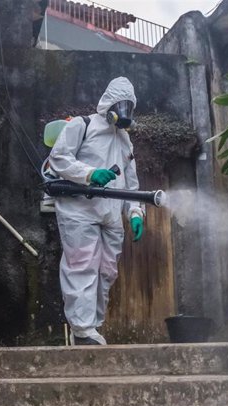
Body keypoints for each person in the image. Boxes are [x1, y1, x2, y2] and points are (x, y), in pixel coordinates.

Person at [48, 76, 144, 345]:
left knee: (107, 272)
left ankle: (93, 328)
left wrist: (135, 213)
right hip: (80, 211)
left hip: (111, 215)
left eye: (129, 106)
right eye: (120, 104)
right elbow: (58, 159)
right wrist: (90, 174)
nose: (124, 111)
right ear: (109, 104)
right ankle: (81, 331)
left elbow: (131, 182)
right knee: (82, 266)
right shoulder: (83, 125)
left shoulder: (125, 141)